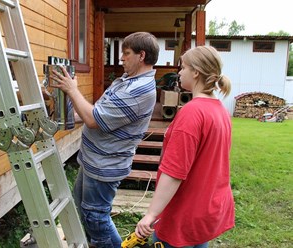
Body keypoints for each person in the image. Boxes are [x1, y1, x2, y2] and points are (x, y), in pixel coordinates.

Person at [51, 32, 160, 248]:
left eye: (126, 54)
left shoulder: (138, 90)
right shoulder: (125, 81)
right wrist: (61, 107)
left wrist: (72, 90)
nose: (121, 58)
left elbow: (93, 119)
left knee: (96, 217)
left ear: (141, 55)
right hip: (93, 161)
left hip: (104, 166)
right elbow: (95, 113)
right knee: (85, 210)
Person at [135, 46, 235, 248]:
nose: (179, 73)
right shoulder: (220, 111)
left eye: (183, 68)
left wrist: (151, 214)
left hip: (182, 216)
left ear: (196, 72)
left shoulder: (192, 113)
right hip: (204, 213)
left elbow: (174, 171)